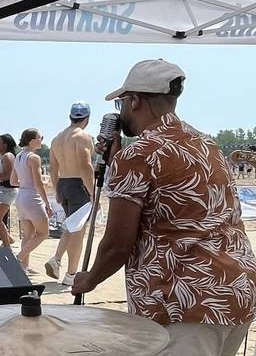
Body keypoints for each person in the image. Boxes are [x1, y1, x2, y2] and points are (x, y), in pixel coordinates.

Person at [73, 60, 256, 356]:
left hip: (184, 301)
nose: (121, 110)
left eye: (122, 102)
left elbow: (118, 245)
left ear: (134, 101)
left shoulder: (138, 154)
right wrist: (119, 160)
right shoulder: (206, 145)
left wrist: (89, 279)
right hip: (234, 290)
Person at [44, 101, 95, 286]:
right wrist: (93, 192)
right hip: (78, 184)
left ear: (71, 117)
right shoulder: (82, 136)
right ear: (87, 119)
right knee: (78, 232)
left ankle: (56, 259)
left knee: (71, 225)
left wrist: (57, 189)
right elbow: (85, 166)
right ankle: (71, 274)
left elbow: (53, 168)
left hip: (64, 183)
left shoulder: (57, 138)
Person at [11, 128, 53, 272]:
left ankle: (24, 265)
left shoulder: (18, 156)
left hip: (21, 196)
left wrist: (25, 182)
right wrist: (47, 203)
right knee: (43, 233)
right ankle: (19, 258)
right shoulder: (34, 158)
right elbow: (38, 184)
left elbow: (13, 181)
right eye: (40, 137)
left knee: (28, 234)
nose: (42, 140)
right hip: (31, 197)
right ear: (32, 140)